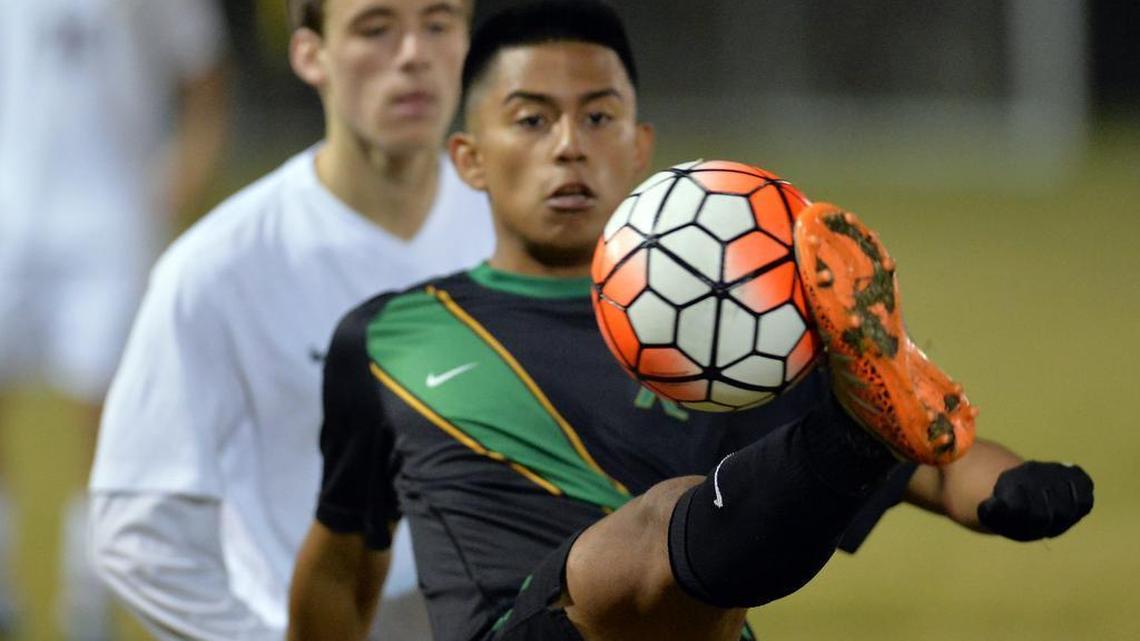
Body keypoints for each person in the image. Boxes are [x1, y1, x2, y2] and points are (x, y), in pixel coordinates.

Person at [287, 2, 1094, 640]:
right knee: (655, 519)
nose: (570, 146)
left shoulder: (739, 330)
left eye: (599, 118)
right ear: (468, 155)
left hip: (700, 626)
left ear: (640, 148)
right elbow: (341, 565)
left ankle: (850, 433)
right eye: (532, 118)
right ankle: (847, 437)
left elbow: (932, 456)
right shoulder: (389, 336)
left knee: (828, 443)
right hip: (530, 627)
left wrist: (1011, 489)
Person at [87, 1, 493, 640]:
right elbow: (137, 527)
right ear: (311, 54)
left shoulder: (517, 233)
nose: (414, 53)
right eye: (376, 28)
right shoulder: (219, 268)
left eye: (438, 24)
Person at [0, 0, 228, 639]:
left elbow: (206, 76)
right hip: (10, 213)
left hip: (109, 219)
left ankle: (87, 601)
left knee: (102, 426)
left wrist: (182, 175)